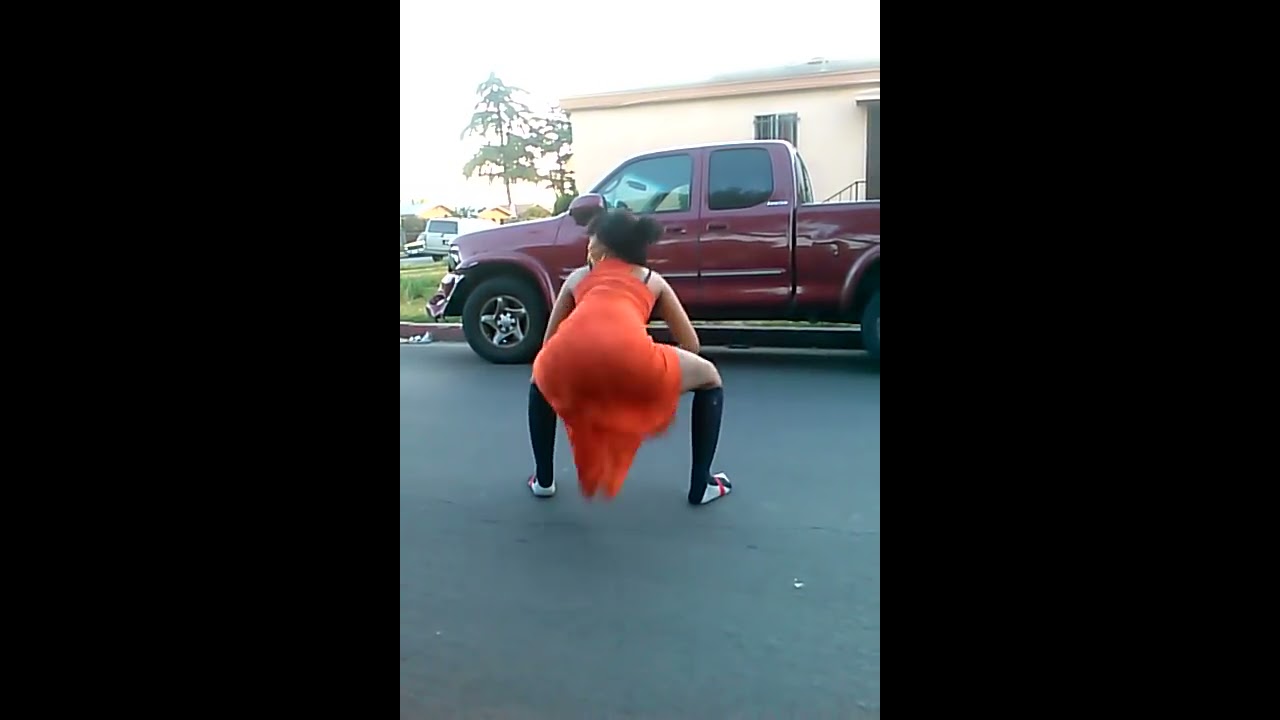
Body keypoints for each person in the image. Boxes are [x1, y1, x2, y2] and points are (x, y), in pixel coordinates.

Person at [525, 209, 731, 505]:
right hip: (633, 361)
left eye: (591, 239)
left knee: (541, 377)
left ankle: (543, 479)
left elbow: (549, 343)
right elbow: (691, 344)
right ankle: (702, 483)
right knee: (710, 377)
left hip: (567, 360)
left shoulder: (577, 277)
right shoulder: (652, 280)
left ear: (604, 248)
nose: (587, 245)